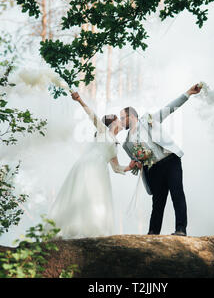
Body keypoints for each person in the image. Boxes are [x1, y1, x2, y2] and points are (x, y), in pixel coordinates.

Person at [45, 91, 138, 238]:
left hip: (101, 171)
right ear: (112, 123)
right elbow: (92, 115)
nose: (121, 122)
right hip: (88, 166)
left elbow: (116, 168)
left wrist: (130, 166)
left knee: (96, 200)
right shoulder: (102, 132)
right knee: (83, 195)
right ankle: (70, 230)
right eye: (119, 120)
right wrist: (80, 100)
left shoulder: (115, 145)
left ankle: (91, 232)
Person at [120, 84, 202, 236]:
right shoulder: (126, 144)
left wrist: (188, 93)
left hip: (170, 161)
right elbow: (136, 161)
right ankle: (153, 233)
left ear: (131, 116)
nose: (120, 120)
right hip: (152, 170)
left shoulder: (148, 119)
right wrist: (137, 161)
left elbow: (169, 108)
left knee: (177, 194)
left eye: (122, 117)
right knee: (158, 202)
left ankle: (181, 229)